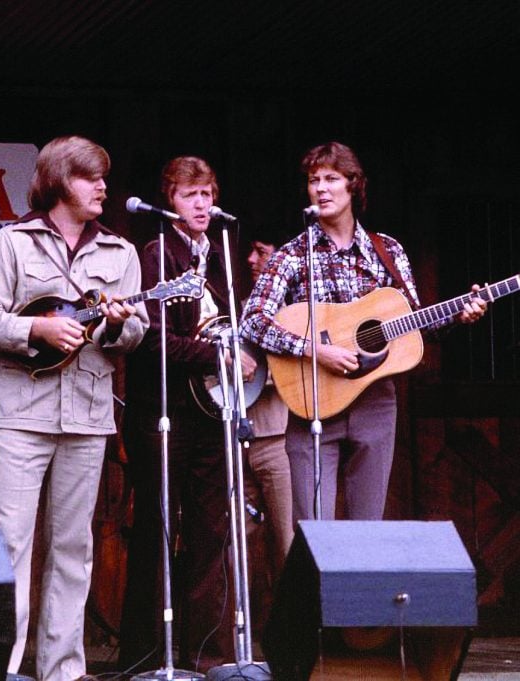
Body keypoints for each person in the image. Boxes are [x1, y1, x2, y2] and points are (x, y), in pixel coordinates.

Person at [0, 135, 147, 681]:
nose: (102, 187)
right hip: (18, 415)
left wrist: (116, 323)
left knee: (73, 548)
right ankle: (4, 669)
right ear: (59, 182)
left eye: (103, 177)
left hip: (88, 416)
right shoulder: (12, 244)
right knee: (10, 546)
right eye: (90, 177)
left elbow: (134, 332)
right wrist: (36, 327)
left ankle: (62, 671)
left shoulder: (121, 252)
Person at [240, 141, 487, 523]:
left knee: (367, 529)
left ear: (353, 185)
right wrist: (313, 350)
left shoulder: (386, 250)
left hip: (375, 402)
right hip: (314, 402)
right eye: (313, 180)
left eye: (331, 179)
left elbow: (416, 323)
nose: (321, 188)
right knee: (314, 532)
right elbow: (253, 321)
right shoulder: (293, 255)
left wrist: (459, 315)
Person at [119, 156, 258, 674]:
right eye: (189, 195)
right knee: (157, 530)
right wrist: (216, 356)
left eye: (207, 194)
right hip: (163, 411)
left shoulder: (221, 253)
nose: (201, 204)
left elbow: (230, 326)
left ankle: (208, 657)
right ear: (170, 201)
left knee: (209, 532)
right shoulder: (157, 254)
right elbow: (153, 341)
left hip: (210, 413)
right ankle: (147, 656)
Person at [241, 225, 294, 590]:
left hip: (281, 438)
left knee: (289, 540)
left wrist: (255, 373)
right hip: (239, 438)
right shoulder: (246, 307)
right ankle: (231, 641)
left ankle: (300, 640)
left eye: (260, 251)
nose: (251, 260)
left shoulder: (298, 309)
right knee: (234, 541)